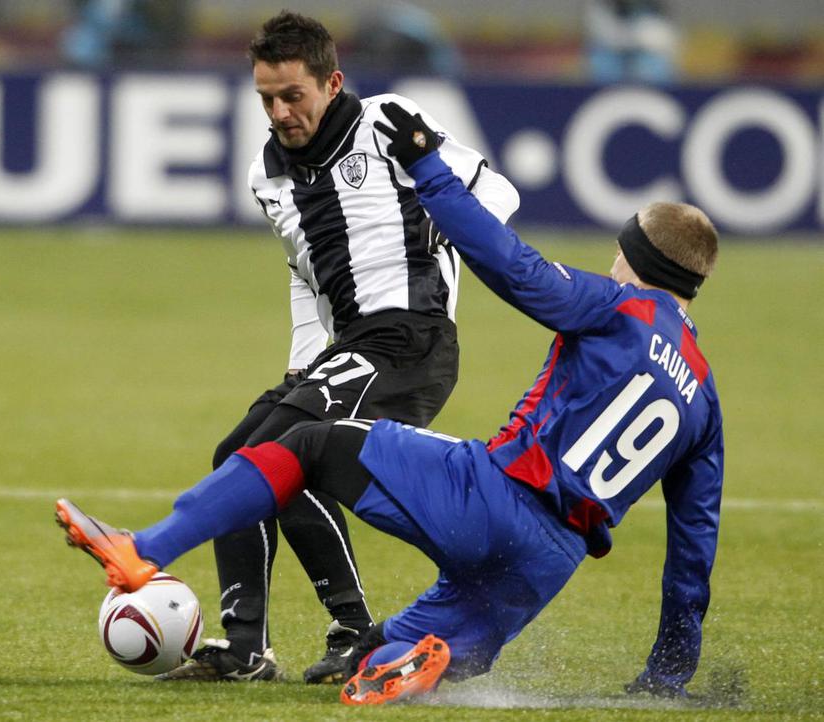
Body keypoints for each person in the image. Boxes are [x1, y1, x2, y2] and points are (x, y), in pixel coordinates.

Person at [56, 102, 722, 704]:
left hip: (493, 496)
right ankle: (406, 657)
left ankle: (142, 547)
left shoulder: (620, 306)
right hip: (550, 562)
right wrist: (667, 676)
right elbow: (692, 552)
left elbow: (514, 268)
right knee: (382, 654)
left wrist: (428, 170)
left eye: (618, 251)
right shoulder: (703, 398)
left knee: (308, 443)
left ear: (634, 258)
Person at [144, 11, 518, 684]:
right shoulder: (268, 172)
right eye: (266, 98)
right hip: (349, 348)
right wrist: (303, 358)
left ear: (331, 83)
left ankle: (350, 632)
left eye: (292, 95)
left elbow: (496, 190)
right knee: (237, 457)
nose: (279, 112)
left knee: (277, 454)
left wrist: (448, 232)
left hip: (411, 341)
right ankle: (248, 649)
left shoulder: (386, 122)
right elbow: (305, 273)